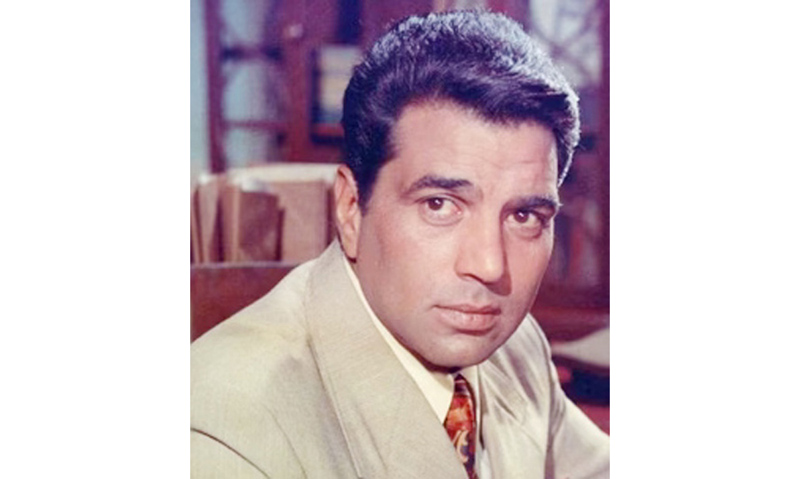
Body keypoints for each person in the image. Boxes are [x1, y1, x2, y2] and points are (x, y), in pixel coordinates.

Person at [192, 10, 610, 479]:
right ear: (351, 208)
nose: (490, 265)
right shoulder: (226, 430)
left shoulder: (514, 348)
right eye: (439, 205)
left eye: (524, 216)